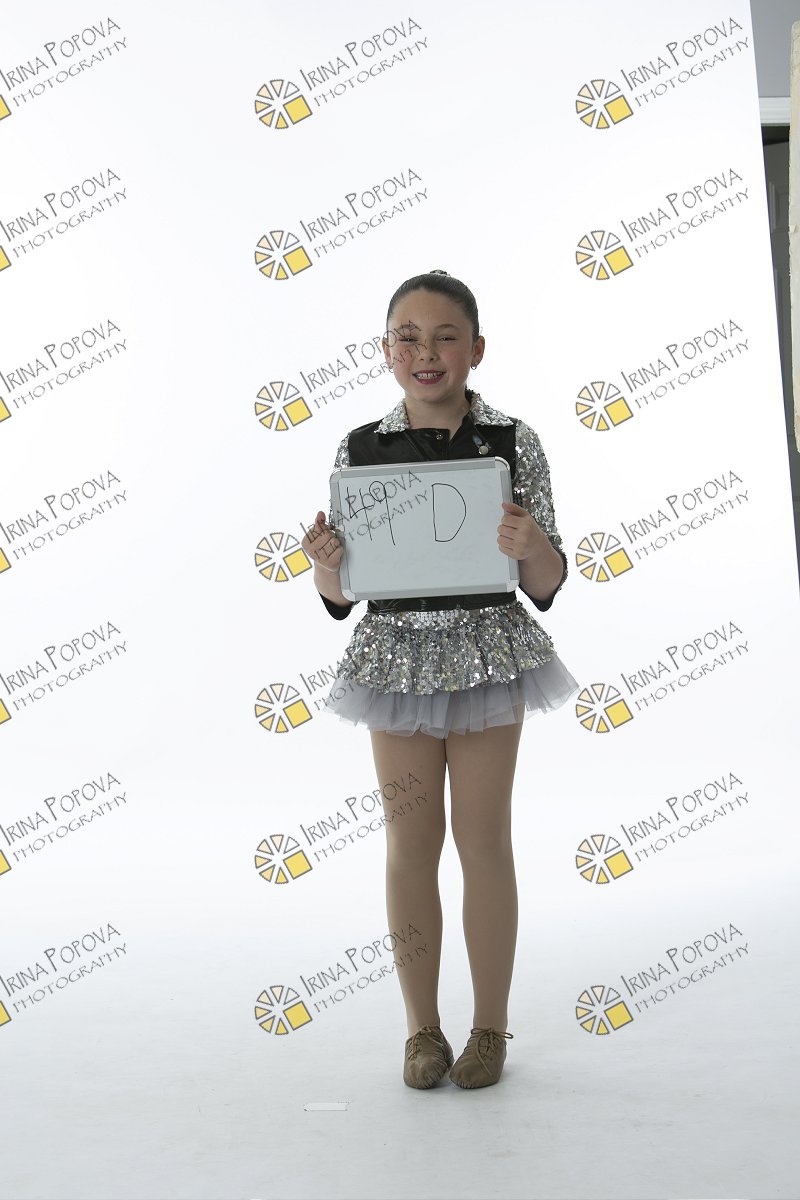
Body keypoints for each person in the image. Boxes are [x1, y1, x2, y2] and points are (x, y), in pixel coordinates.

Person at [301, 270, 577, 1091]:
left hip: (489, 653)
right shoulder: (362, 448)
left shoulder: (513, 441)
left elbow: (547, 582)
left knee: (483, 840)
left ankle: (488, 1027)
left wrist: (530, 542)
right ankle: (421, 1029)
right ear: (386, 351)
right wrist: (326, 564)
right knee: (410, 843)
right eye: (408, 338)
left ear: (476, 349)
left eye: (445, 337)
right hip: (397, 661)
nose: (426, 352)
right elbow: (343, 597)